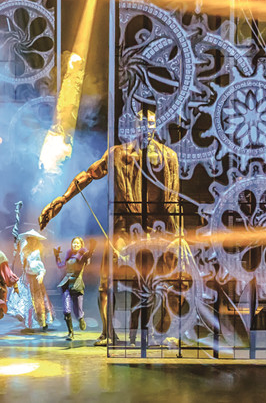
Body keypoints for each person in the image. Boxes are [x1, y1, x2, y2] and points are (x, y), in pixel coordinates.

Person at [39, 110, 182, 347]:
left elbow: (173, 200)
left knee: (170, 281)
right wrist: (63, 199)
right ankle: (108, 333)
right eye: (142, 123)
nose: (147, 128)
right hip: (125, 227)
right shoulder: (118, 154)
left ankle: (162, 332)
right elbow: (88, 175)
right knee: (106, 285)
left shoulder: (168, 157)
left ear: (156, 125)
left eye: (151, 123)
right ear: (134, 126)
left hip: (156, 228)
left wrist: (177, 234)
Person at [7, 230, 54, 330]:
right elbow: (20, 254)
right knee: (23, 299)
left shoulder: (36, 252)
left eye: (34, 240)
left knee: (38, 301)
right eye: (30, 240)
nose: (32, 242)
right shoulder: (24, 251)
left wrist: (41, 273)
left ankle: (42, 321)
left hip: (34, 279)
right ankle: (27, 322)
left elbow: (40, 265)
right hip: (25, 278)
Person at [54, 237, 95, 341]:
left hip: (76, 284)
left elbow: (88, 256)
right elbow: (60, 265)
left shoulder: (82, 255)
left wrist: (92, 248)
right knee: (66, 309)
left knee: (78, 310)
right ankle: (70, 333)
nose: (75, 245)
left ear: (81, 245)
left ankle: (81, 319)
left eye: (77, 243)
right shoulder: (69, 256)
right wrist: (56, 256)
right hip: (66, 284)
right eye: (73, 243)